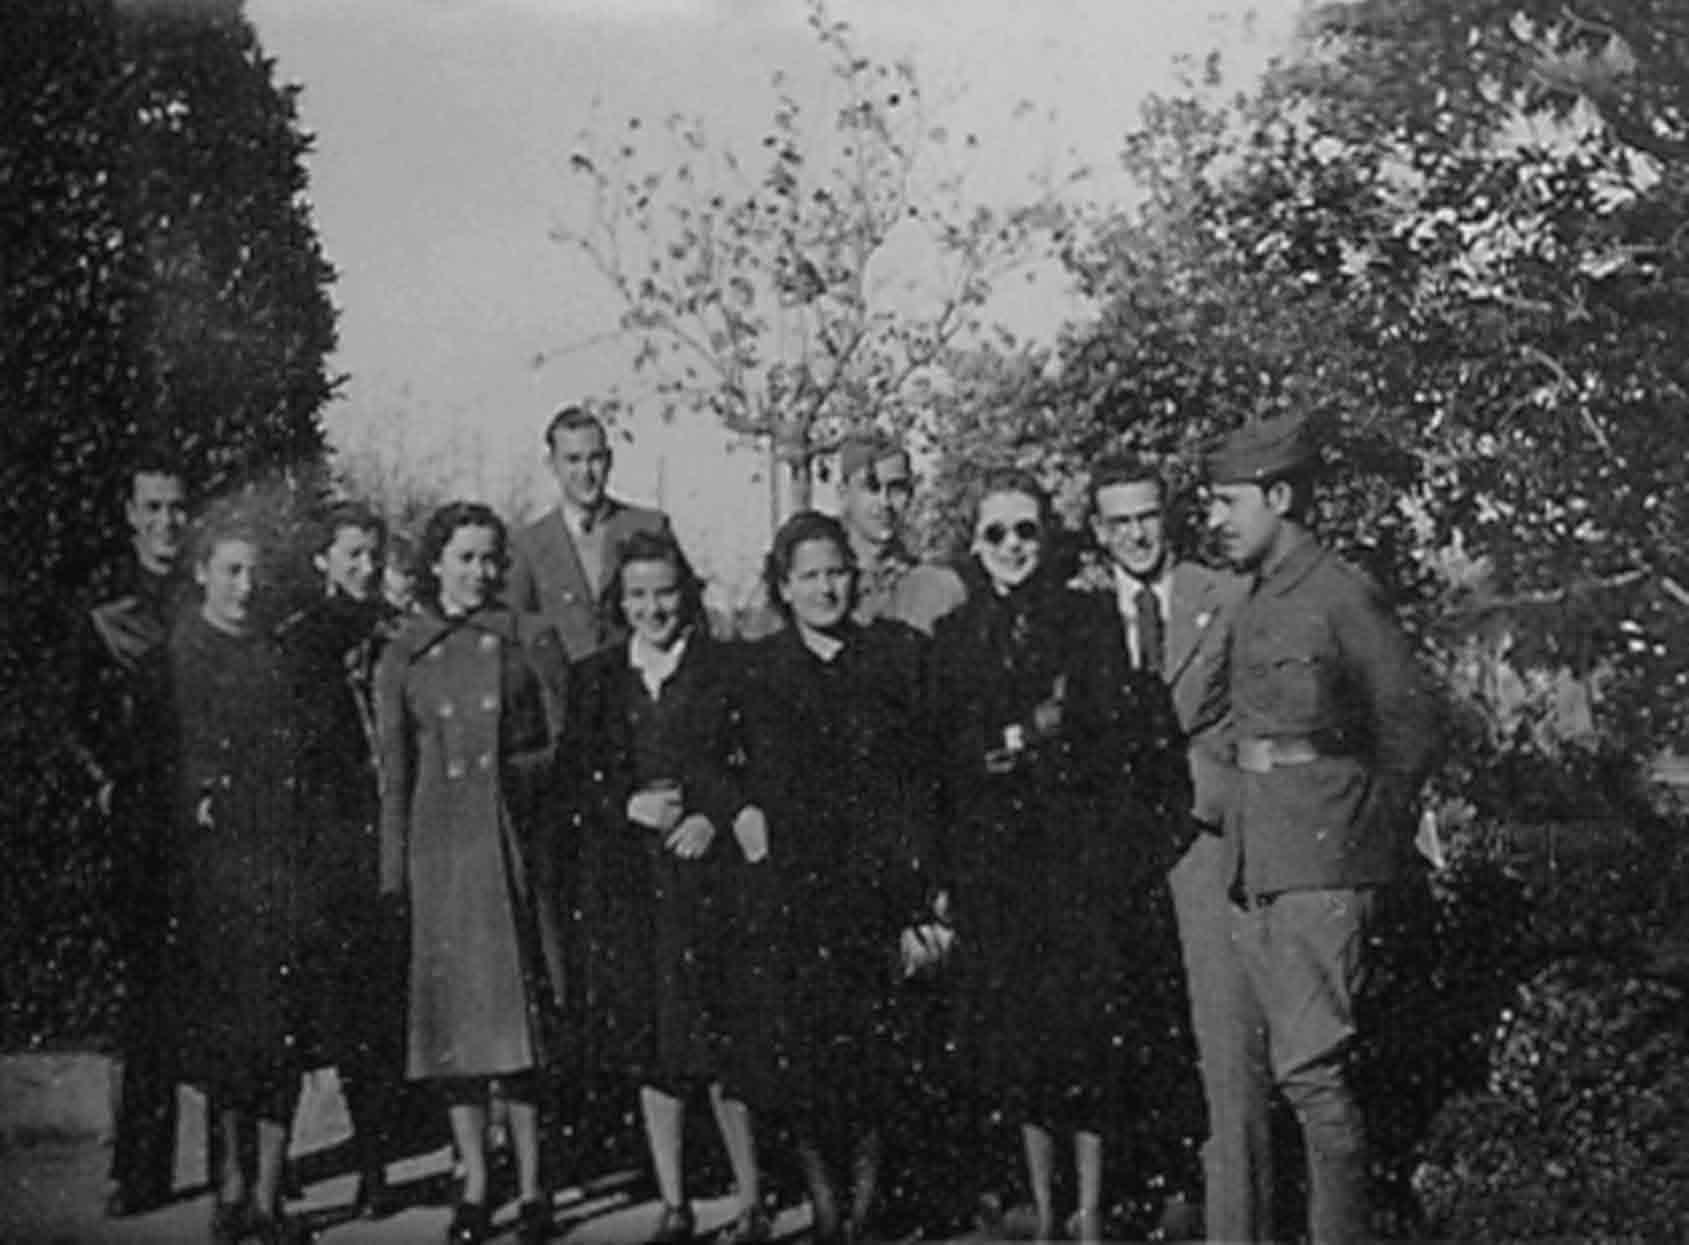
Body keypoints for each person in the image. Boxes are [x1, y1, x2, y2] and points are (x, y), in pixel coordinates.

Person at [931, 469, 1188, 1244]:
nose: (1012, 546)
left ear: (1046, 536)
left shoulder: (1087, 618)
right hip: (996, 870)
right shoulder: (953, 634)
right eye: (995, 533)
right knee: (1021, 1047)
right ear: (974, 543)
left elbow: (1110, 730)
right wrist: (1020, 736)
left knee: (1088, 1041)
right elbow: (948, 753)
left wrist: (1035, 741)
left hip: (1076, 863)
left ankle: (1091, 1209)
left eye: (1025, 530)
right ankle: (1042, 1212)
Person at [1203, 414, 1438, 1244]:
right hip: (1258, 859)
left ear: (1278, 497)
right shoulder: (1257, 594)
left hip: (1321, 860)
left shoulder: (1338, 592)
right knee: (1291, 1075)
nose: (1215, 519)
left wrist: (1359, 840)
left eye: (1228, 502)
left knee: (1311, 1073)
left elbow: (1409, 726)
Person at [736, 511, 936, 1245]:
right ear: (784, 587)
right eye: (809, 576)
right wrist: (738, 809)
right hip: (793, 895)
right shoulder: (754, 670)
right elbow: (709, 763)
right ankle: (825, 1207)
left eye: (837, 573)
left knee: (878, 1058)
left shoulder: (893, 657)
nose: (826, 589)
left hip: (875, 891)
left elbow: (924, 775)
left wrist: (920, 891)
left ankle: (868, 1207)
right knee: (805, 1064)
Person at [374, 502, 570, 1245]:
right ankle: (475, 1181)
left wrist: (519, 782)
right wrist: (395, 873)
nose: (480, 572)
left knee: (517, 1023)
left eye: (490, 558)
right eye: (465, 557)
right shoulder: (405, 650)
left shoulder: (526, 637)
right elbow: (395, 770)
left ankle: (534, 1186)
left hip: (510, 842)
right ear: (435, 564)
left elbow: (562, 742)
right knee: (455, 1028)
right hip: (442, 851)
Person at [566, 531, 769, 1245]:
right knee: (652, 1041)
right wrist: (627, 804)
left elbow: (754, 764)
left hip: (710, 882)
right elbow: (573, 783)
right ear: (619, 602)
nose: (652, 608)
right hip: (634, 884)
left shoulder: (726, 668)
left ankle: (751, 1199)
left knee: (722, 1040)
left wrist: (714, 816)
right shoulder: (596, 678)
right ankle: (674, 1201)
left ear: (686, 592)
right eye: (637, 595)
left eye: (664, 592)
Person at [1087, 456, 1251, 1239]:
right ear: (1097, 531)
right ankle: (1145, 1196)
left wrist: (1209, 786)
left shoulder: (1224, 596)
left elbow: (1254, 714)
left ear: (1168, 516)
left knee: (1220, 1031)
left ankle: (1232, 1217)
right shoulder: (1077, 615)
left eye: (1146, 516)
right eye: (1118, 521)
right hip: (1114, 850)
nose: (1135, 534)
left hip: (1197, 835)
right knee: (1126, 1029)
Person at [158, 509, 310, 1244]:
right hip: (208, 873)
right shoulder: (176, 658)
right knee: (225, 1038)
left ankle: (270, 1198)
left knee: (279, 1032)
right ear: (201, 574)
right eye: (231, 571)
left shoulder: (277, 658)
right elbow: (154, 761)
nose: (245, 587)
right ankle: (229, 1190)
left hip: (277, 866)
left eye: (255, 573)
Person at [276, 502, 413, 1218]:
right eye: (352, 553)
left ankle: (377, 1163)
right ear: (322, 559)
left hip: (390, 836)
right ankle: (276, 1166)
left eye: (373, 553)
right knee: (322, 1009)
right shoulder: (297, 642)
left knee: (380, 1012)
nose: (366, 566)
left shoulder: (398, 632)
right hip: (324, 846)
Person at [65, 452, 191, 1218]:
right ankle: (140, 1168)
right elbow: (76, 717)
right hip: (145, 827)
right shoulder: (106, 610)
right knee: (148, 1000)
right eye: (153, 507)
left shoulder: (214, 591)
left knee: (228, 990)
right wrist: (107, 780)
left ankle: (249, 1168)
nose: (166, 521)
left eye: (177, 507)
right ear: (130, 515)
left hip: (214, 819)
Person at [506, 405, 672, 661]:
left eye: (595, 458)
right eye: (573, 460)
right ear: (552, 464)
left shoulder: (649, 526)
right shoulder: (528, 545)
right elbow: (515, 630)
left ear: (610, 460)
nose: (586, 472)